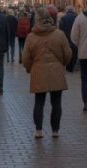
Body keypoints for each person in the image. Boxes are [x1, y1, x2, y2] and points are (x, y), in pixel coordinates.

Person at [22, 7, 72, 138]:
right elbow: (67, 53)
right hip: (56, 70)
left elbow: (25, 58)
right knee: (56, 102)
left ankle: (38, 130)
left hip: (38, 70)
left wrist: (29, 68)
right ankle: (55, 130)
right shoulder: (59, 34)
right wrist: (63, 64)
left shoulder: (31, 37)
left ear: (37, 20)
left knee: (39, 102)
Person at [58, 5, 79, 73]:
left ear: (66, 11)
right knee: (75, 51)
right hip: (75, 37)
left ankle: (68, 66)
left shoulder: (63, 18)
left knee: (67, 51)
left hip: (66, 36)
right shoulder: (77, 17)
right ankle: (72, 66)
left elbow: (60, 28)